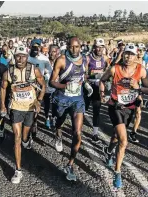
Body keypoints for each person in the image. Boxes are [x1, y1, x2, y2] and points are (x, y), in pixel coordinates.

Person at [99, 45, 148, 189]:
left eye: (131, 55)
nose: (128, 57)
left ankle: (109, 151)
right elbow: (102, 80)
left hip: (130, 108)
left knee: (116, 136)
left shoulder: (140, 70)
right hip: (115, 106)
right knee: (123, 140)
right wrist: (102, 94)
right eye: (126, 54)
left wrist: (138, 88)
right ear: (123, 55)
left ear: (136, 56)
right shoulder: (114, 69)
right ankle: (117, 172)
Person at [0, 46, 46, 184]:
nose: (20, 59)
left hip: (30, 107)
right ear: (14, 57)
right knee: (17, 138)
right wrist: (2, 104)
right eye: (18, 56)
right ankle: (18, 170)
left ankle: (27, 139)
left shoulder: (34, 70)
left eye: (23, 56)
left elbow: (43, 85)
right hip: (16, 108)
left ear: (27, 57)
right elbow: (3, 88)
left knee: (25, 134)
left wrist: (39, 100)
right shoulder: (9, 72)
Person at [49, 36, 93, 181]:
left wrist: (86, 85)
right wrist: (64, 86)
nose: (74, 49)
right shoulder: (61, 60)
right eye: (71, 47)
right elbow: (52, 82)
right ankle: (58, 133)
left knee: (77, 132)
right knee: (59, 122)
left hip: (77, 100)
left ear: (81, 47)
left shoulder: (85, 59)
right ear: (67, 46)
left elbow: (82, 76)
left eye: (77, 47)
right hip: (62, 98)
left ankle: (70, 164)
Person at [84, 38, 110, 143]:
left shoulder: (105, 58)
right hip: (88, 87)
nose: (99, 49)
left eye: (101, 47)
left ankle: (95, 134)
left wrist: (106, 80)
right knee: (83, 110)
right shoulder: (88, 58)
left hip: (98, 88)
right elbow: (83, 74)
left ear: (104, 48)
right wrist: (94, 74)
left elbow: (108, 72)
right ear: (94, 47)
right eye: (97, 47)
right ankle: (77, 130)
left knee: (96, 111)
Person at [28, 39, 52, 134]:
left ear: (40, 47)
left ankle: (34, 122)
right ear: (30, 47)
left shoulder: (44, 58)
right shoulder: (26, 57)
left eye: (37, 46)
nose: (35, 48)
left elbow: (50, 70)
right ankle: (30, 123)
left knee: (36, 105)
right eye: (33, 46)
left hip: (38, 86)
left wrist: (45, 77)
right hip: (27, 85)